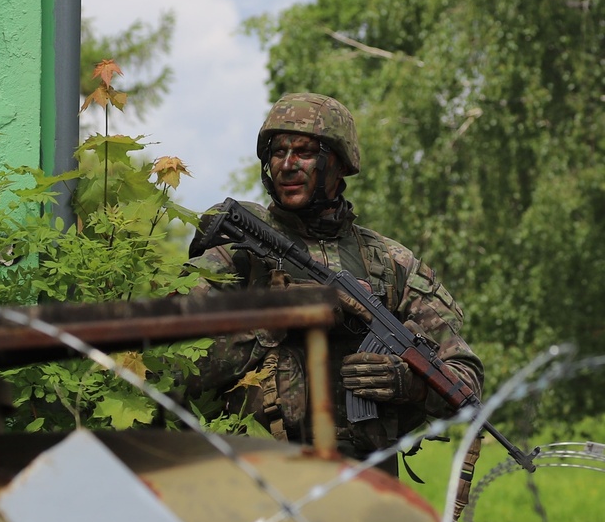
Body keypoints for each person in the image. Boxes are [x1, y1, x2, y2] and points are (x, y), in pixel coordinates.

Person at [186, 92, 483, 476]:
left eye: (305, 152)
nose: (288, 165)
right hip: (259, 477)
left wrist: (412, 384)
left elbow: (467, 384)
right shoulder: (234, 256)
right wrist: (271, 324)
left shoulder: (392, 263)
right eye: (278, 152)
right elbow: (172, 370)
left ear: (338, 164)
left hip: (367, 483)